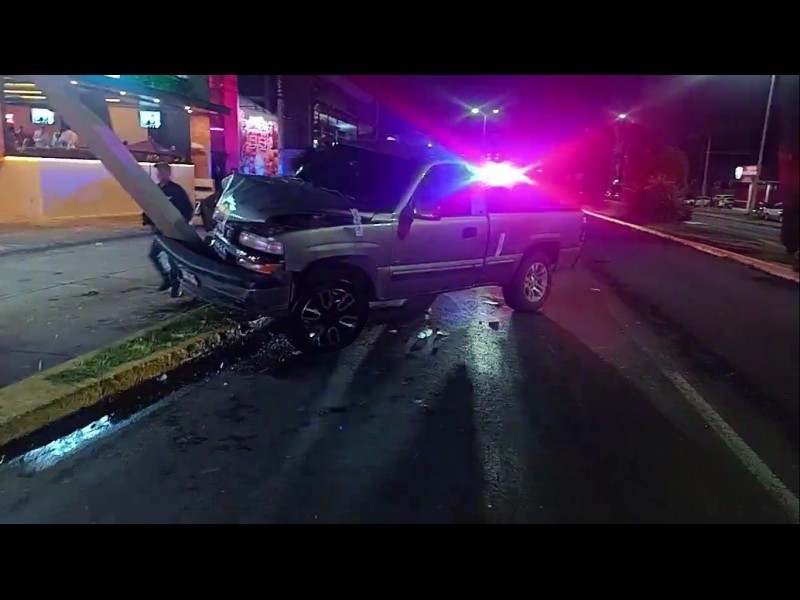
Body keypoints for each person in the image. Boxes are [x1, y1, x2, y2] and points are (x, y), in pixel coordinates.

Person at [147, 162, 194, 297]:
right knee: (153, 255)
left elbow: (187, 210)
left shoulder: (176, 190)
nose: (159, 174)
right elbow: (150, 207)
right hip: (160, 230)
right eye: (158, 172)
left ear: (168, 173)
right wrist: (149, 222)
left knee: (173, 259)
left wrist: (180, 226)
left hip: (173, 232)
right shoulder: (156, 189)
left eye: (162, 171)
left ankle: (176, 286)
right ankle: (166, 278)